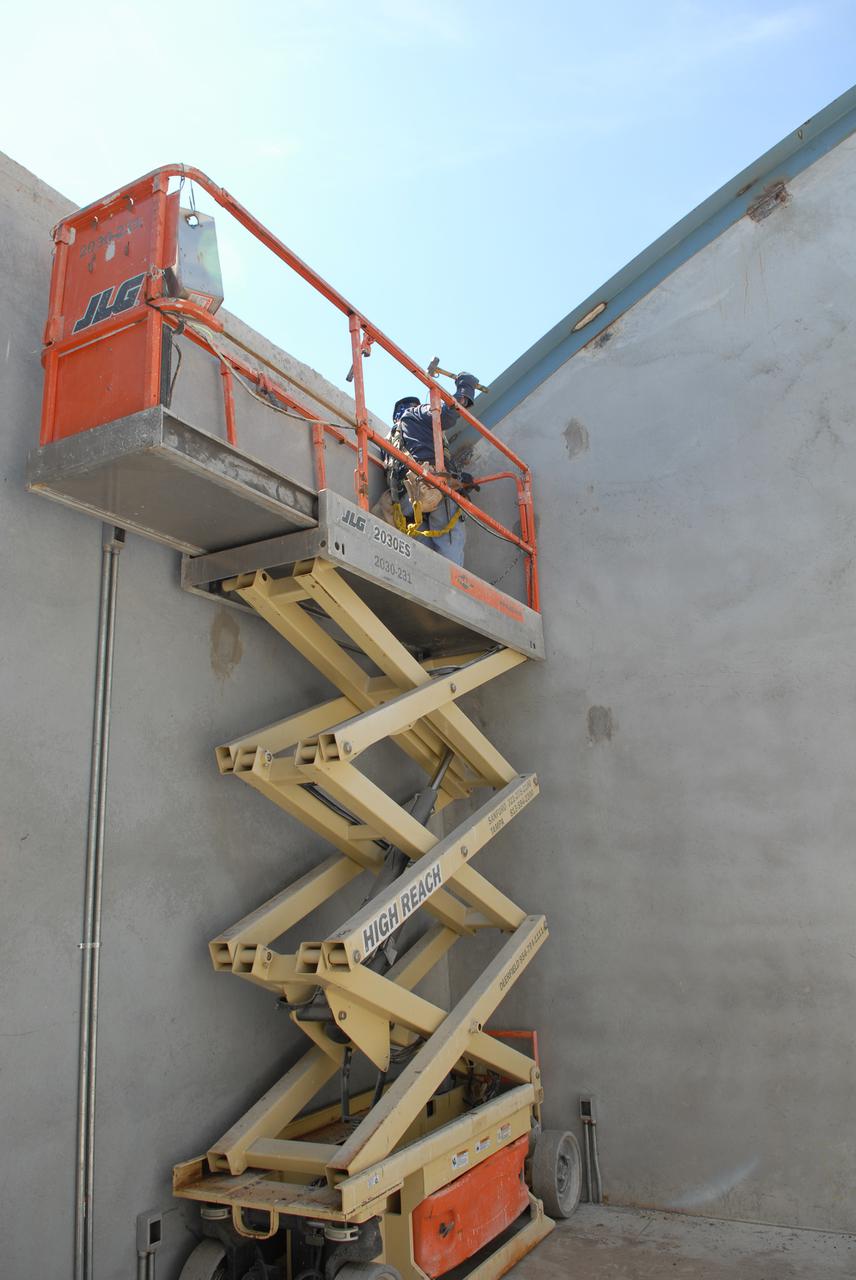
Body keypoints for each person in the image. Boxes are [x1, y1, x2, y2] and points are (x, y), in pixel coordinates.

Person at [377, 372, 479, 566]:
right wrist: (465, 388)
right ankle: (452, 586)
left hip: (407, 501)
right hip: (431, 488)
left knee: (424, 552)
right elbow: (448, 415)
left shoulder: (388, 440)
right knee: (449, 545)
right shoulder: (416, 413)